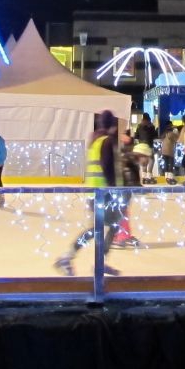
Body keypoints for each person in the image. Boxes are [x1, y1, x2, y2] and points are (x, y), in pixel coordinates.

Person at [54, 110, 123, 277]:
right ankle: (86, 260)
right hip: (104, 192)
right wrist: (116, 191)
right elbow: (108, 169)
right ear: (112, 125)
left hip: (94, 191)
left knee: (99, 228)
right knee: (112, 225)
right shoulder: (107, 141)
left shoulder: (94, 141)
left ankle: (71, 257)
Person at [135, 113, 158, 184]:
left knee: (144, 161)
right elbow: (155, 136)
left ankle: (144, 177)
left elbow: (136, 136)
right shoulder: (151, 126)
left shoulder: (139, 126)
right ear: (149, 118)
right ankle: (149, 176)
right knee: (151, 160)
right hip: (149, 145)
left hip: (141, 146)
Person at [161, 121, 179, 185]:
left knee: (166, 163)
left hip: (163, 150)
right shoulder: (171, 133)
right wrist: (176, 131)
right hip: (169, 151)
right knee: (171, 163)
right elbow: (177, 138)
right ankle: (170, 177)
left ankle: (166, 177)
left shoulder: (164, 133)